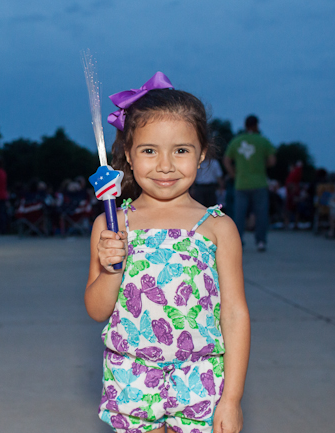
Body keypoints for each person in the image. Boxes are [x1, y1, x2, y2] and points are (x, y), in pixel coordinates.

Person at [85, 73, 250, 433]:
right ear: (128, 154)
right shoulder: (112, 225)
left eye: (181, 150)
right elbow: (98, 311)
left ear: (202, 152)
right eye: (149, 150)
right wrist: (112, 268)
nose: (164, 165)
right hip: (132, 377)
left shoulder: (218, 228)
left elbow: (235, 315)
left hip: (201, 378)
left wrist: (232, 399)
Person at [223, 115, 276, 252]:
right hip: (259, 182)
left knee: (239, 214)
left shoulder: (236, 141)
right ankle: (260, 241)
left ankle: (238, 240)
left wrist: (233, 174)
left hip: (241, 183)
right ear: (256, 125)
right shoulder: (263, 141)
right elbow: (272, 161)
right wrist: (260, 164)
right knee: (261, 214)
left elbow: (226, 160)